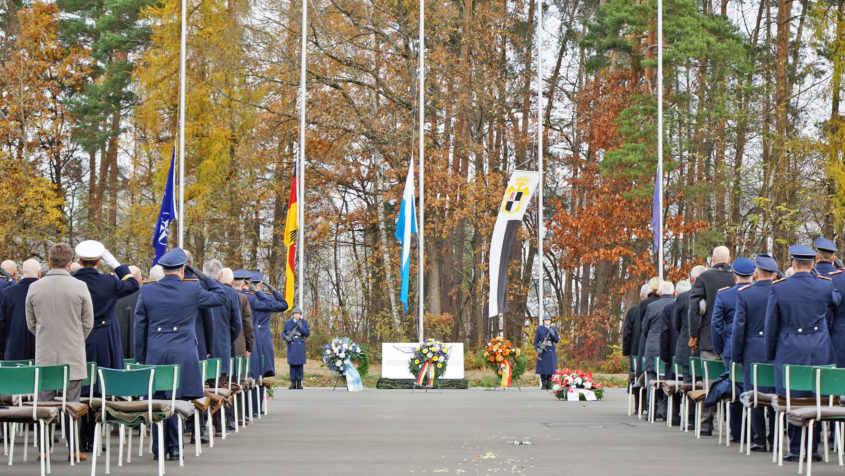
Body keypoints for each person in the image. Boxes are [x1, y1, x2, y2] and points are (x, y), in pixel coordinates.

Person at [134, 247, 227, 460]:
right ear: (183, 270)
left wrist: (141, 357)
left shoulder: (147, 290)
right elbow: (221, 295)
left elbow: (139, 327)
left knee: (157, 401)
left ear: (164, 270)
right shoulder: (192, 290)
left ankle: (159, 449)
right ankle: (175, 448)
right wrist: (200, 274)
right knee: (176, 400)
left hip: (156, 352)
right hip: (183, 353)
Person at [765, 244, 839, 461]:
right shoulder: (825, 285)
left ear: (793, 263)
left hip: (789, 347)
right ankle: (813, 448)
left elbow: (771, 325)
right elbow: (835, 305)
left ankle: (797, 448)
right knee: (815, 397)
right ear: (813, 263)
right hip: (820, 346)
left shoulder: (779, 287)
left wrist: (771, 353)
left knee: (793, 396)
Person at [25, 243, 93, 460]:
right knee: (73, 404)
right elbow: (88, 322)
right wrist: (74, 338)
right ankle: (74, 448)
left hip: (45, 352)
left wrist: (45, 337)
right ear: (69, 261)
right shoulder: (80, 286)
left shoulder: (35, 287)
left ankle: (44, 450)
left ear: (49, 260)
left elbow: (31, 323)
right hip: (73, 352)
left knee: (44, 404)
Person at [732, 253, 779, 452]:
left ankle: (759, 439)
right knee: (777, 394)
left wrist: (736, 355)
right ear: (774, 275)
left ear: (757, 273)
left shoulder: (745, 293)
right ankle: (775, 438)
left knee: (755, 395)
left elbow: (738, 329)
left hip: (752, 349)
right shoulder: (780, 291)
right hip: (776, 347)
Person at [688, 245, 735, 435]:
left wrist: (694, 335)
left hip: (708, 337)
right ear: (729, 260)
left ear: (713, 260)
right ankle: (733, 426)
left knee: (709, 382)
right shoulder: (736, 277)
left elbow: (694, 309)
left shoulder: (704, 278)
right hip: (732, 338)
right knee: (733, 381)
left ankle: (706, 423)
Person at [710, 257, 754, 442]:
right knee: (754, 387)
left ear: (735, 276)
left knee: (735, 390)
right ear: (752, 276)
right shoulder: (759, 293)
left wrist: (719, 349)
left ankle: (738, 433)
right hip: (755, 348)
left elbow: (716, 325)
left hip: (729, 348)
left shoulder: (725, 295)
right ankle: (754, 432)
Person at [639, 280, 675, 420]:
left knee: (651, 378)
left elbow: (645, 328)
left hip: (653, 346)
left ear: (659, 292)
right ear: (673, 292)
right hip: (671, 346)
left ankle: (651, 411)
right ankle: (668, 412)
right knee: (669, 378)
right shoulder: (675, 305)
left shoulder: (652, 307)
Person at [0, 259, 40, 360]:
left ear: (22, 272)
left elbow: (2, 324)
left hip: (14, 350)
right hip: (40, 350)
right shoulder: (46, 293)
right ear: (39, 274)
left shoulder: (7, 293)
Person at [185, 251, 214, 360]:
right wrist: (208, 347)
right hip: (196, 345)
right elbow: (208, 320)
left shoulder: (164, 288)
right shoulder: (199, 286)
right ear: (191, 265)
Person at [115, 266, 143, 359]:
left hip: (117, 350)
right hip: (138, 351)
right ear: (140, 279)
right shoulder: (144, 296)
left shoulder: (113, 296)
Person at [282, 307, 311, 389]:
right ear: (293, 314)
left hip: (300, 344)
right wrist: (285, 337)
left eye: (298, 313)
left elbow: (307, 334)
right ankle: (293, 383)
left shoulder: (304, 322)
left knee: (299, 364)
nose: (296, 315)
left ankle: (299, 382)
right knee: (292, 364)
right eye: (295, 313)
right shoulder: (288, 323)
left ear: (300, 314)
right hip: (291, 344)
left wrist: (301, 327)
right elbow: (283, 332)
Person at [533, 315, 559, 390]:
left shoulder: (553, 329)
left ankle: (549, 383)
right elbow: (536, 341)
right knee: (543, 367)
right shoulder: (540, 329)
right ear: (543, 321)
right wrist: (537, 349)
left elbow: (556, 341)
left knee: (550, 367)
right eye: (545, 320)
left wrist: (553, 334)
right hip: (543, 350)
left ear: (550, 321)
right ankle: (543, 383)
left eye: (548, 320)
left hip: (550, 350)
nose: (547, 321)